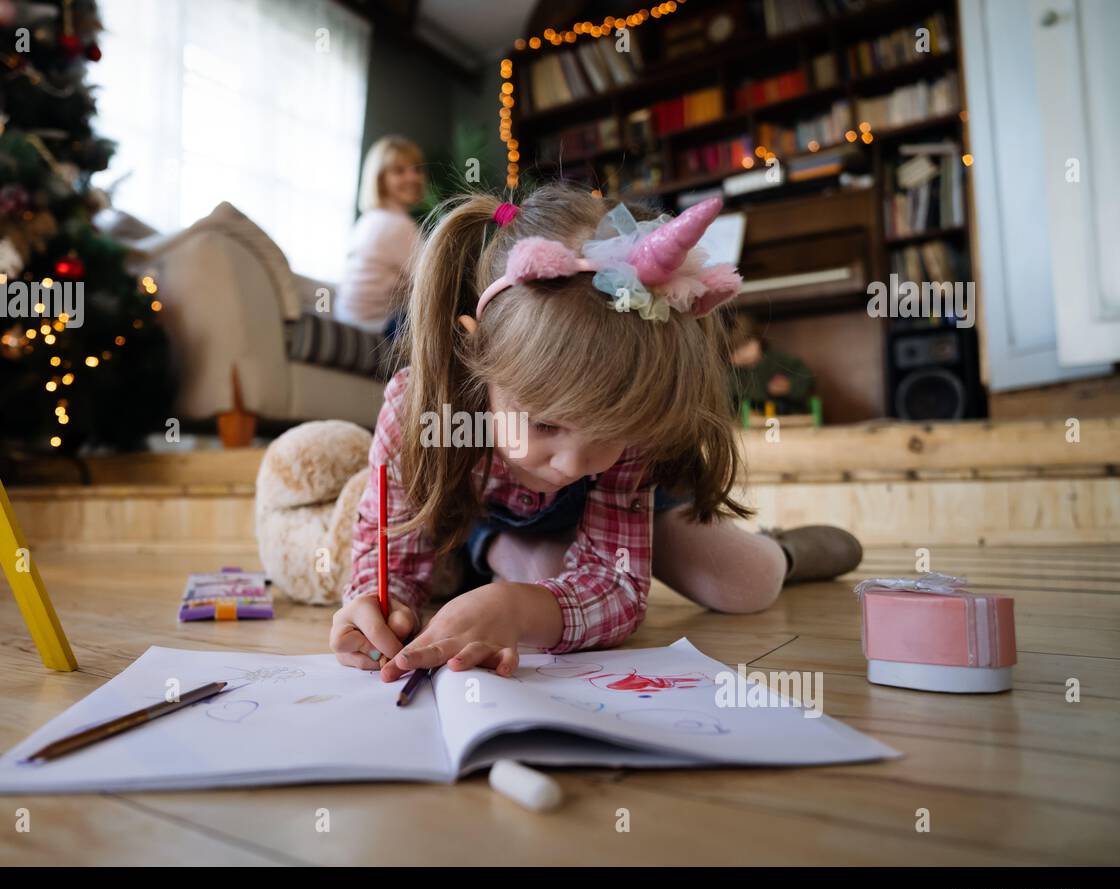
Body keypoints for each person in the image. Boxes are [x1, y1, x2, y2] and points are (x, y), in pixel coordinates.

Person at [329, 182, 862, 680]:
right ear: (477, 353)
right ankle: (495, 549)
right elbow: (387, 554)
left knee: (747, 581)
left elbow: (618, 588)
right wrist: (378, 604)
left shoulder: (624, 440)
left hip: (626, 502)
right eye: (545, 423)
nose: (571, 462)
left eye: (608, 431)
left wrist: (519, 607)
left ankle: (785, 553)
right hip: (489, 514)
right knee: (545, 570)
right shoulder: (417, 406)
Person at [334, 135, 425, 336]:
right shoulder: (398, 225)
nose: (413, 177)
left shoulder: (368, 219)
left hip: (346, 316)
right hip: (374, 324)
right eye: (399, 171)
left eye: (416, 169)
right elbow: (429, 280)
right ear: (380, 179)